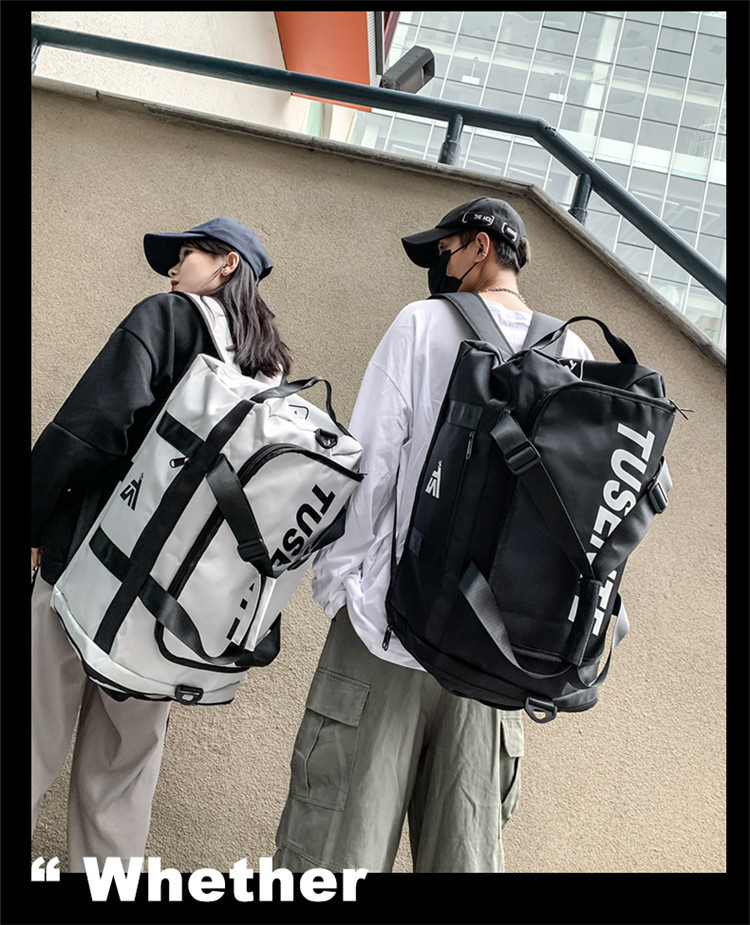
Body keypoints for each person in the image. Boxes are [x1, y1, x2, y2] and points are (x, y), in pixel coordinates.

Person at [273, 197, 594, 873]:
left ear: (481, 246)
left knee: (334, 852)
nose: (438, 268)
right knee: (465, 857)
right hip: (499, 660)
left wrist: (341, 587)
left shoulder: (421, 324)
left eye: (444, 252)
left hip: (389, 629)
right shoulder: (575, 351)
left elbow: (372, 462)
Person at [31, 217, 291, 872]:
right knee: (121, 780)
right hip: (168, 613)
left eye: (187, 254)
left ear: (228, 264)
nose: (173, 268)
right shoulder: (269, 373)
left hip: (85, 569)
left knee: (29, 738)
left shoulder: (168, 318)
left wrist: (32, 519)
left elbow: (93, 427)